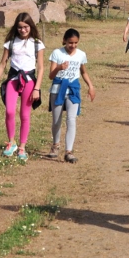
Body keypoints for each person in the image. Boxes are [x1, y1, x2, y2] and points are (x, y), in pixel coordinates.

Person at [0, 13, 45, 162]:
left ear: (31, 26)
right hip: (13, 80)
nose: (23, 30)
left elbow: (40, 68)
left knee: (25, 115)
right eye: (20, 27)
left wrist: (37, 88)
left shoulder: (37, 43)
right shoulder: (10, 43)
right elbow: (2, 65)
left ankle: (22, 147)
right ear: (16, 28)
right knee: (9, 111)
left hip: (29, 81)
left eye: (26, 27)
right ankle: (11, 142)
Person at [44, 28, 96, 163]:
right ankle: (55, 146)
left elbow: (83, 72)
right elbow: (50, 76)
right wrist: (59, 68)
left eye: (75, 43)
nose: (72, 46)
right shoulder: (57, 53)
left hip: (73, 90)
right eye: (70, 43)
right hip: (58, 90)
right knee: (57, 120)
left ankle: (69, 151)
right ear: (64, 41)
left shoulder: (81, 55)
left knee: (71, 119)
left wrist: (90, 86)